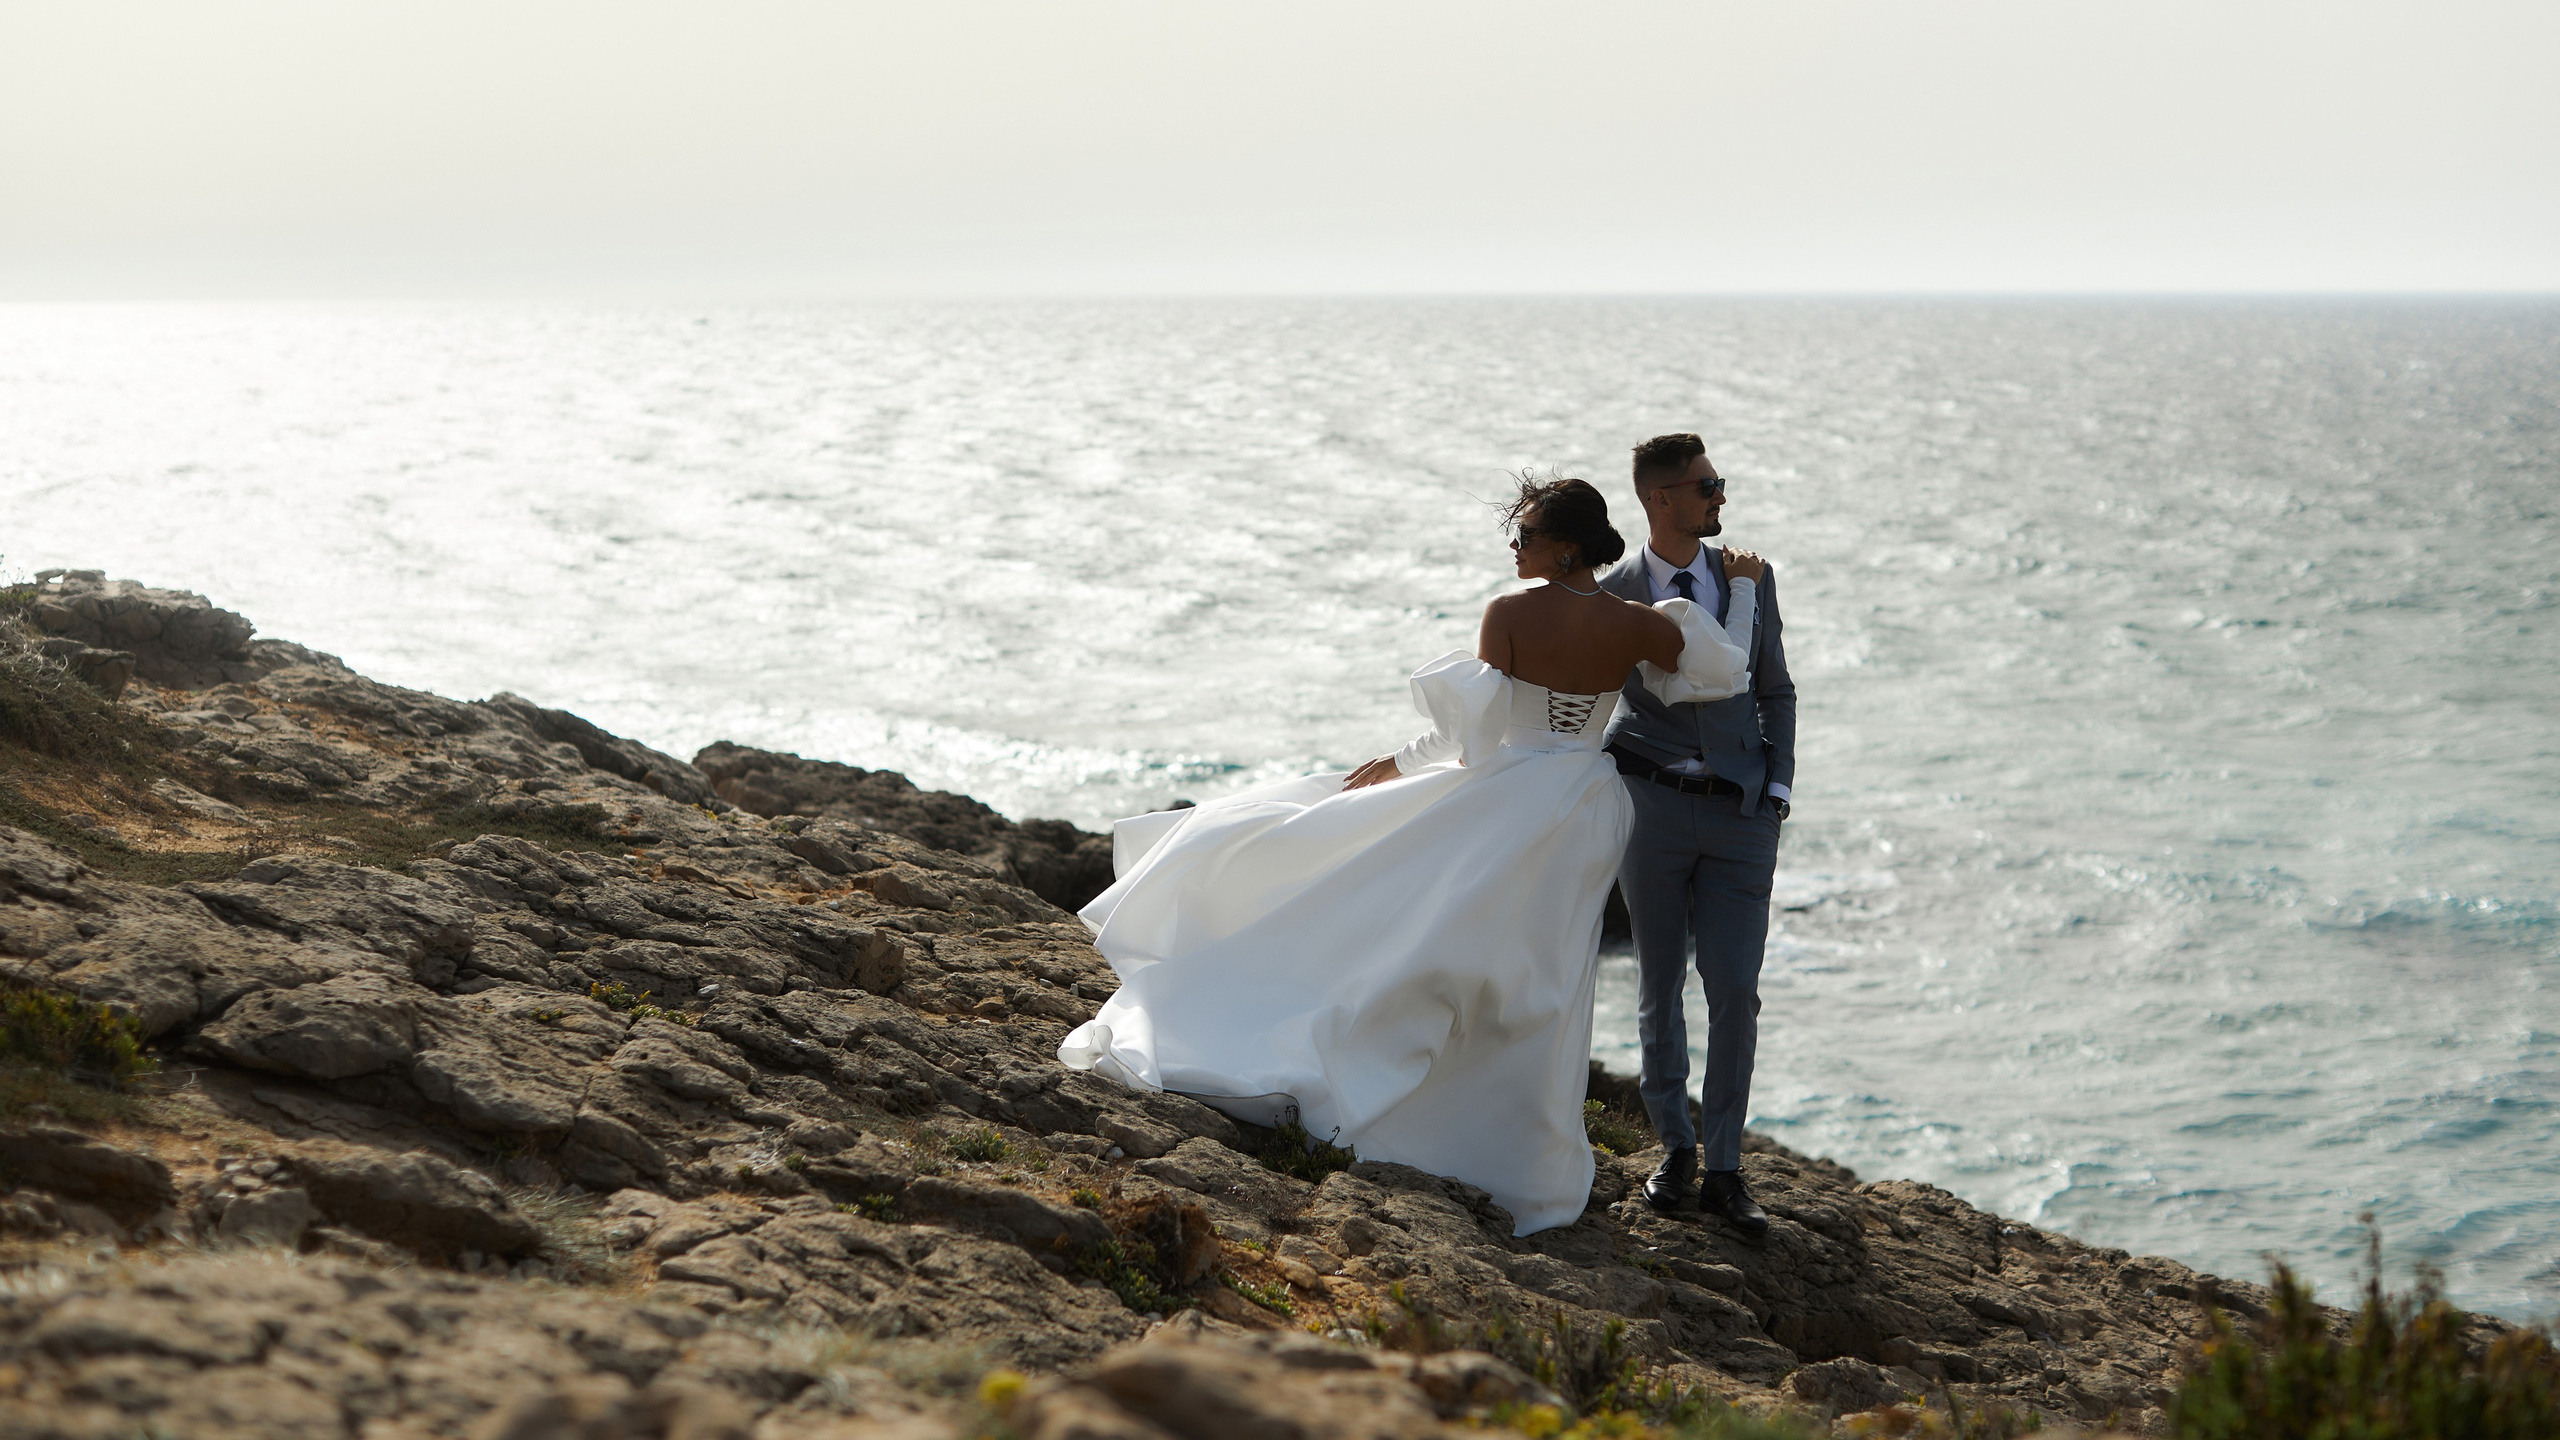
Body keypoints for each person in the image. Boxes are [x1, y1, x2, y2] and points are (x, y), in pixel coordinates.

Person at [1058, 475, 1759, 1235]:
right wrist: (1745, 590)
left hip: (1513, 794)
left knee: (1404, 915)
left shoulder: (1511, 613)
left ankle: (1397, 1084)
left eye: (1524, 536)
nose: (1514, 548)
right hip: (1587, 805)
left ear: (1564, 547)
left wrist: (1396, 763)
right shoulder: (1641, 624)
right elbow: (1727, 670)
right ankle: (1521, 1144)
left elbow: (1472, 738)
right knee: (1545, 980)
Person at [1595, 433, 1795, 1235]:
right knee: (1657, 986)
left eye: (1720, 482)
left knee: (1735, 991)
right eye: (1706, 486)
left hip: (1743, 814)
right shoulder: (1616, 596)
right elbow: (1591, 702)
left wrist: (1777, 787)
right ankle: (1673, 1151)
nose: (1720, 497)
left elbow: (1774, 685)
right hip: (1652, 809)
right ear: (1660, 500)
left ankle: (1726, 1168)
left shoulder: (1752, 576)